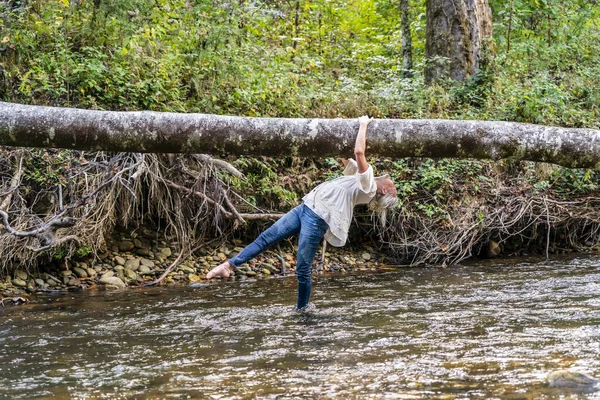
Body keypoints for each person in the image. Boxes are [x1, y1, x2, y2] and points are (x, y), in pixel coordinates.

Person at [206, 116, 398, 311]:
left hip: (317, 218)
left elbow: (359, 151)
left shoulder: (369, 186)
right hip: (307, 206)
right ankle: (228, 266)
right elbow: (344, 159)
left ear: (384, 191)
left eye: (394, 187)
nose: (392, 180)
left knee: (302, 269)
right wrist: (341, 127)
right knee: (267, 237)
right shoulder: (362, 180)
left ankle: (302, 311)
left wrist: (363, 124)